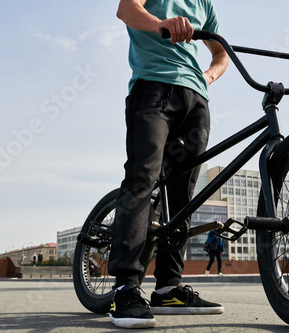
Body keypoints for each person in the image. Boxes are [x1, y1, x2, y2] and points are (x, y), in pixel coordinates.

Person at [108, 0, 229, 329]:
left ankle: (168, 287)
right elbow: (127, 10)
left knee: (182, 197)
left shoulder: (205, 4)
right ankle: (126, 287)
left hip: (196, 101)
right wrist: (161, 24)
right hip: (154, 88)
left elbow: (221, 53)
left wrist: (207, 76)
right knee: (142, 180)